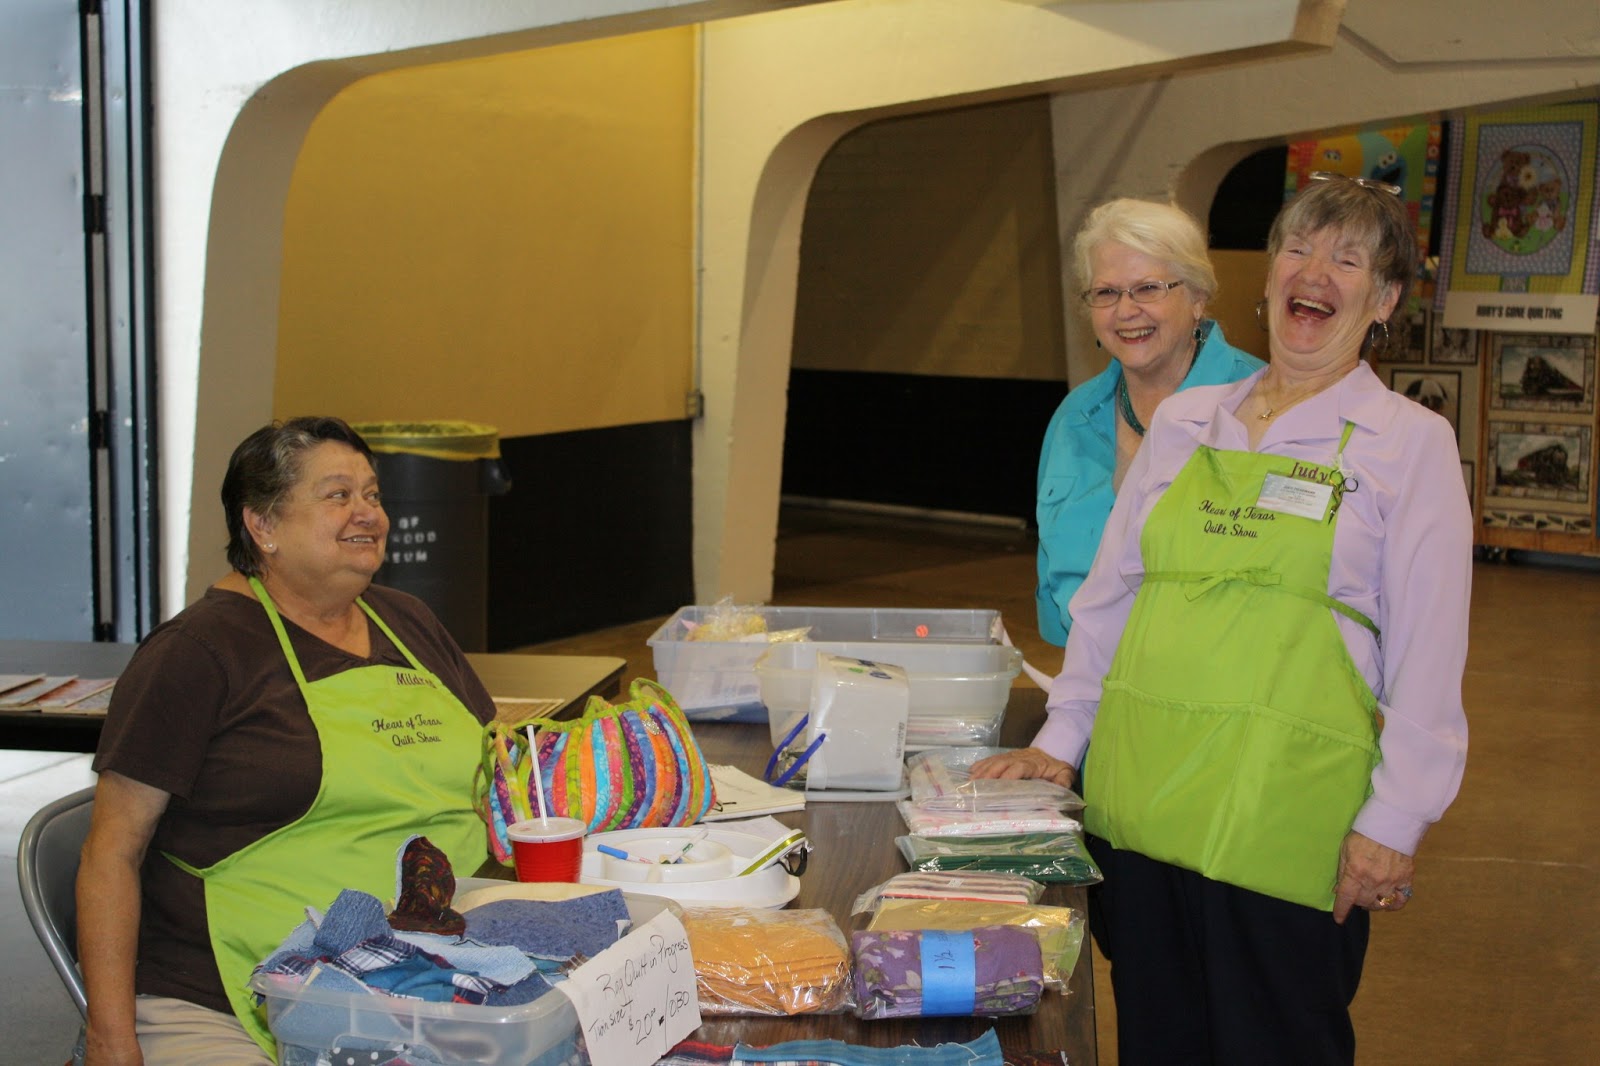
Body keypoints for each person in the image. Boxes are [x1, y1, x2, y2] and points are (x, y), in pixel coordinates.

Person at [976, 173, 1471, 1064]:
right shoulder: (1187, 423)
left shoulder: (1408, 442)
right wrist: (1063, 738)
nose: (1313, 272)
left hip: (1284, 815)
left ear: (1384, 299)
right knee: (1159, 1039)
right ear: (1269, 276)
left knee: (1276, 1039)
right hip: (1144, 802)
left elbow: (1431, 652)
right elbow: (1111, 599)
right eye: (1297, 249)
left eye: (1347, 259)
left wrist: (1395, 821)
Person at [77, 417, 498, 1065]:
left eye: (373, 494)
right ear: (263, 526)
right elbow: (112, 850)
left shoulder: (408, 621)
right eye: (338, 495)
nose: (368, 513)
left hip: (429, 975)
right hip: (236, 996)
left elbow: (498, 777)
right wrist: (111, 1040)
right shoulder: (197, 652)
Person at [1036, 198, 1262, 646]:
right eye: (1106, 293)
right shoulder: (1073, 419)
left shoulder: (1259, 404)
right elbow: (1053, 586)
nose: (1125, 311)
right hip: (1091, 678)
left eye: (1148, 288)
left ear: (1198, 297)